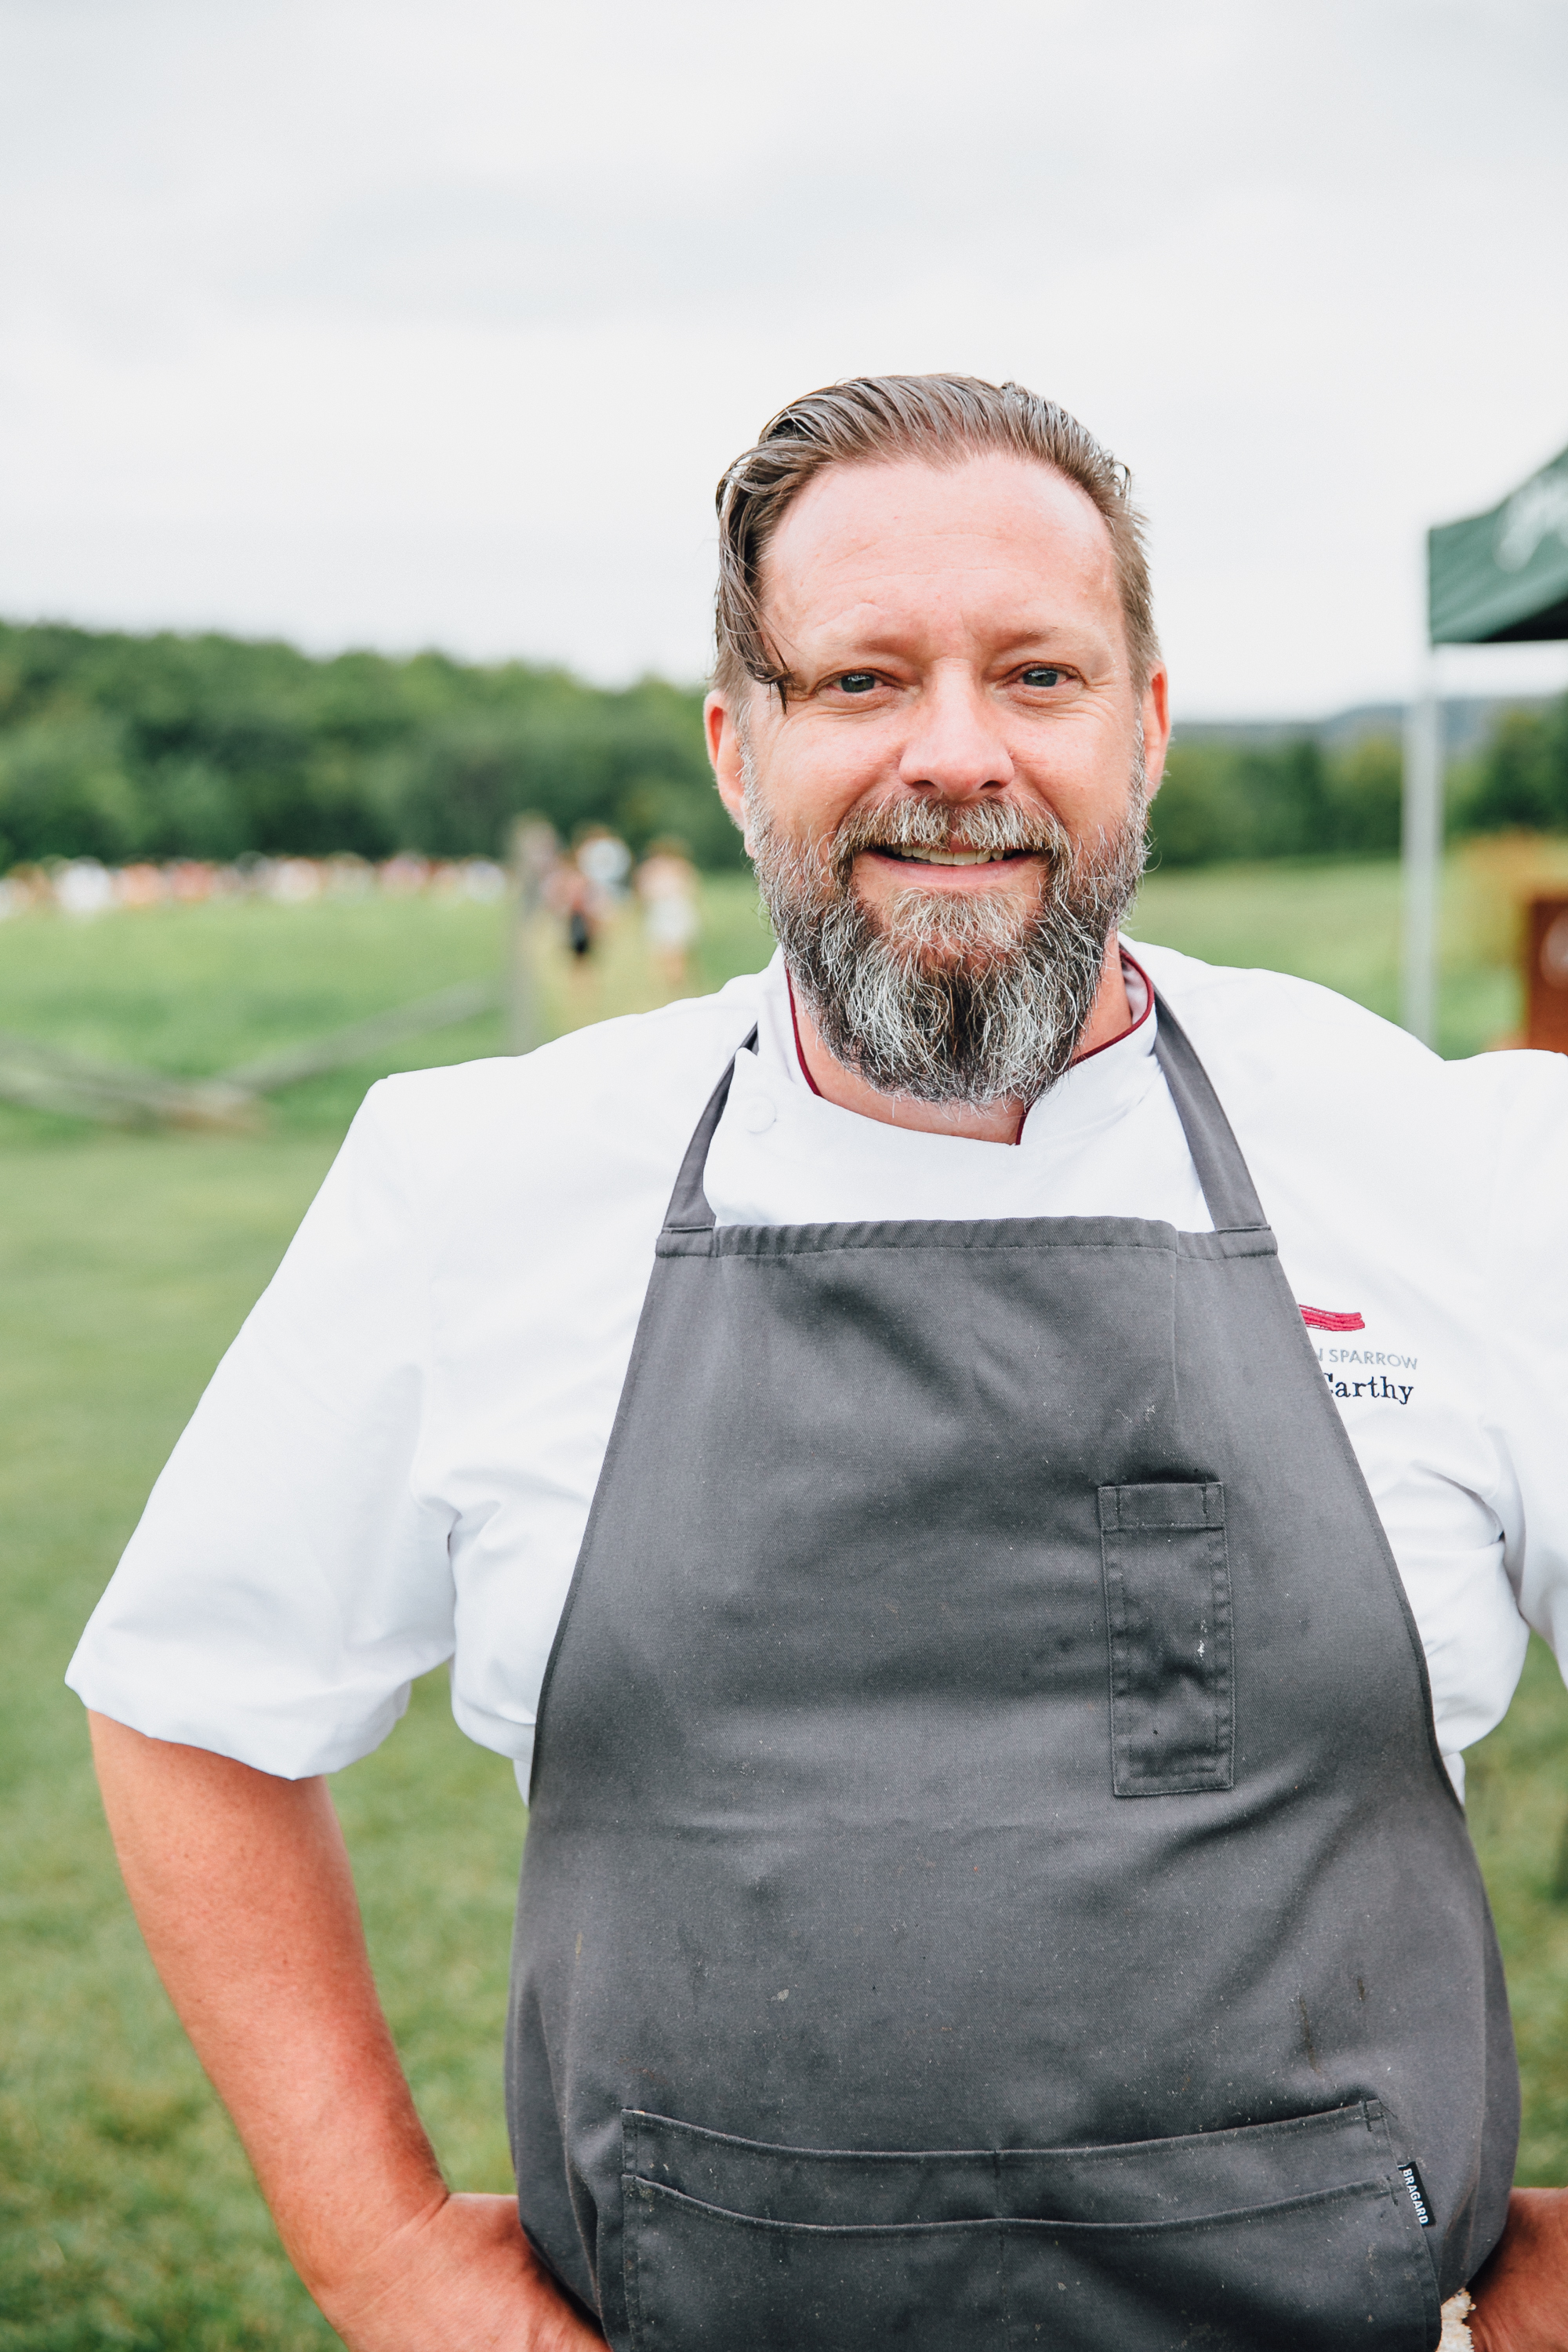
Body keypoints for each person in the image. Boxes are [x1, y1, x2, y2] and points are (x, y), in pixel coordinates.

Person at [68, 376, 1568, 2352]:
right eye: (861, 680)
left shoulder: (1461, 1168)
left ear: (1150, 725)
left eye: (1037, 675)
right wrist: (386, 2261)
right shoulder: (480, 1184)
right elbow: (192, 1707)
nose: (957, 756)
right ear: (735, 742)